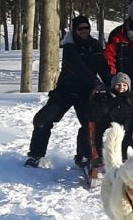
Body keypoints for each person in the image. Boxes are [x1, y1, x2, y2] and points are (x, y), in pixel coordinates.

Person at [25, 15, 111, 168]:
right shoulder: (69, 46)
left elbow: (103, 67)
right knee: (43, 119)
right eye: (80, 28)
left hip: (86, 93)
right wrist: (94, 81)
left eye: (87, 28)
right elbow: (78, 68)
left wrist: (112, 84)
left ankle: (84, 156)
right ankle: (35, 154)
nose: (84, 31)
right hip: (65, 91)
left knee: (90, 123)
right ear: (74, 30)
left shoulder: (95, 45)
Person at [86, 72, 133, 167]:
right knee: (111, 135)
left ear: (128, 87)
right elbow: (93, 114)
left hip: (129, 130)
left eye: (124, 85)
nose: (121, 87)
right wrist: (101, 108)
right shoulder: (105, 98)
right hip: (110, 129)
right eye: (118, 85)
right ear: (113, 86)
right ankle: (106, 149)